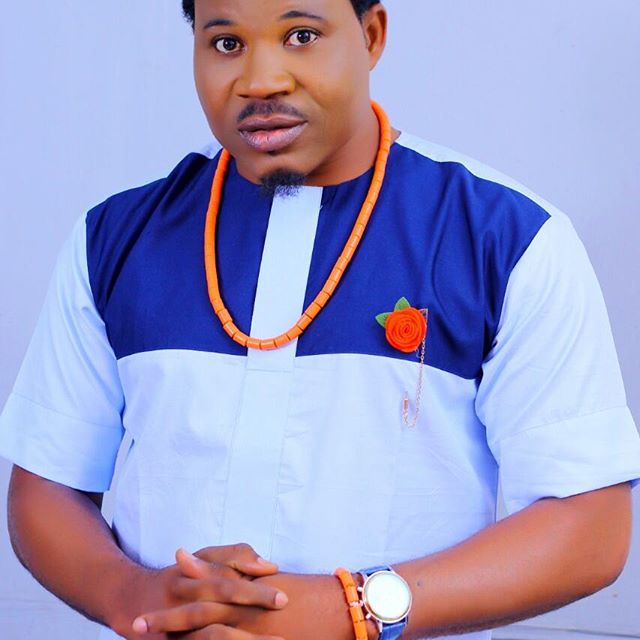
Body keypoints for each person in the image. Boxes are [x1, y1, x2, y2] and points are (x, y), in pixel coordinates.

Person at [1, 1, 640, 639]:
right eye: (226, 44)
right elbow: (46, 488)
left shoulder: (504, 237)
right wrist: (131, 593)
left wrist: (347, 609)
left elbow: (590, 525)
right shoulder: (115, 238)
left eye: (301, 35)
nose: (261, 80)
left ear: (371, 35)